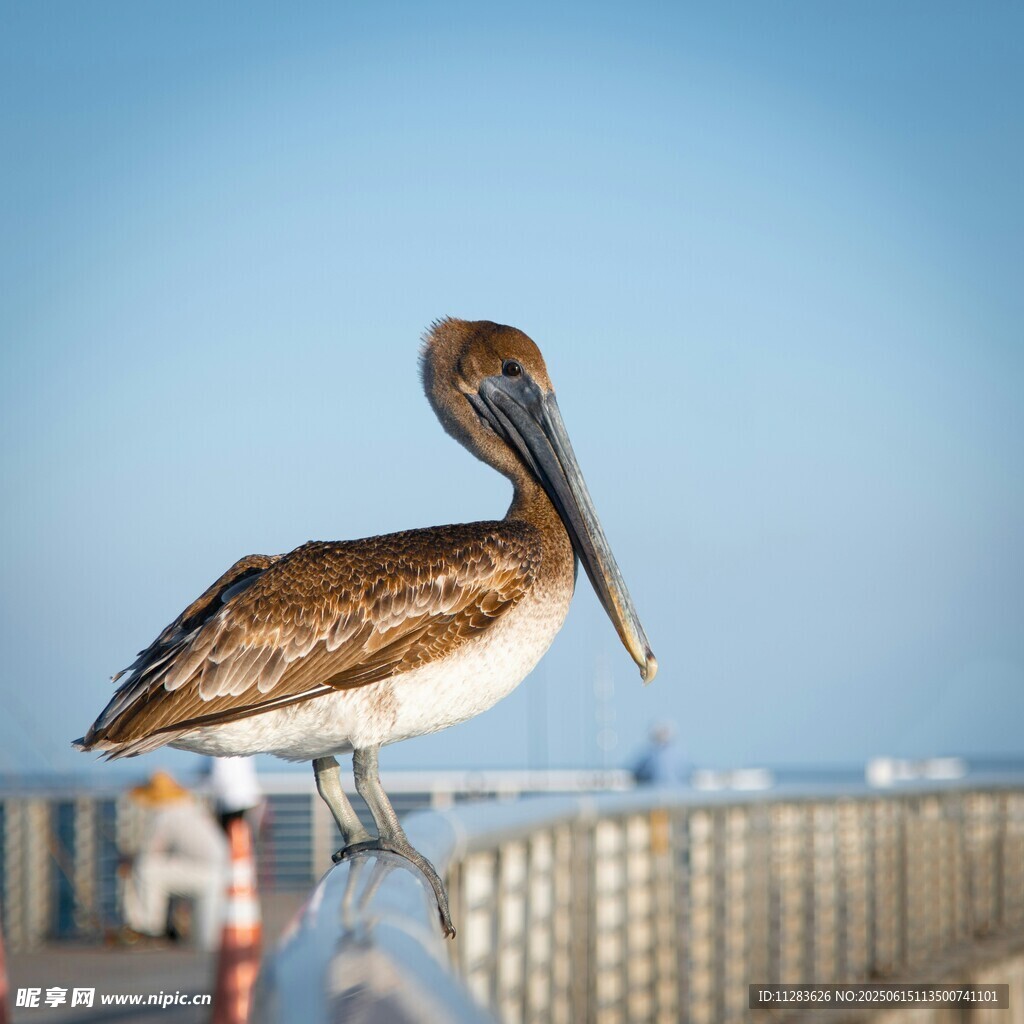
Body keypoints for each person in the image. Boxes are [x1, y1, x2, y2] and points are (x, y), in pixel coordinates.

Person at [120, 770, 228, 951]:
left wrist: (128, 859)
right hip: (219, 872)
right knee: (164, 870)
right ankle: (166, 927)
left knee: (147, 870)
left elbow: (150, 852)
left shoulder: (167, 813)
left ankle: (148, 929)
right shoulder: (190, 807)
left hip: (206, 874)